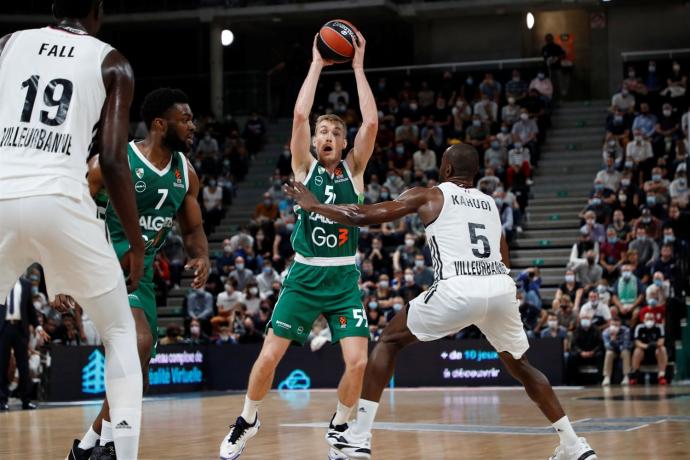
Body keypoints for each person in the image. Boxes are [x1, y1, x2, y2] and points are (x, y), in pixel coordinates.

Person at [285, 143, 596, 460]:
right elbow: (504, 256)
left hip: (458, 288)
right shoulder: (490, 203)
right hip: (501, 288)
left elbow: (361, 215)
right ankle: (574, 445)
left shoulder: (430, 194)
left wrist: (314, 206)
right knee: (523, 367)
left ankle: (359, 437)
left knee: (389, 341)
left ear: (446, 169)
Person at [219, 29, 377, 460]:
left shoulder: (355, 171)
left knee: (359, 362)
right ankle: (248, 420)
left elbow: (372, 122)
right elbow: (299, 116)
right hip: (305, 274)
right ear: (313, 142)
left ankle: (340, 428)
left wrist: (358, 68)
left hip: (344, 276)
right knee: (269, 357)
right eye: (321, 131)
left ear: (344, 143)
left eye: (334, 132)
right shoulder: (304, 166)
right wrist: (316, 64)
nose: (326, 135)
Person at [0, 2, 145, 458]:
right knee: (120, 331)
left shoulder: (7, 44)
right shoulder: (111, 60)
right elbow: (112, 159)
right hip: (61, 196)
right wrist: (136, 242)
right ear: (99, 9)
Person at [57, 88, 210, 460]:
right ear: (160, 124)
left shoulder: (185, 174)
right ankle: (112, 446)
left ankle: (92, 443)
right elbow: (67, 210)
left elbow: (191, 230)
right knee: (138, 342)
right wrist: (62, 273)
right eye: (185, 119)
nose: (193, 126)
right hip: (103, 264)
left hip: (140, 275)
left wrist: (202, 255)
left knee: (138, 360)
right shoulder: (113, 161)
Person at [1, 276, 50, 410]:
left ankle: (26, 400)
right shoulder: (2, 281)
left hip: (20, 329)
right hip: (3, 328)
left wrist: (38, 327)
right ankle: (2, 400)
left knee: (23, 366)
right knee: (2, 365)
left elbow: (30, 309)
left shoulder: (25, 284)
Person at [630, 312, 668, 385]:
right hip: (644, 351)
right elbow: (637, 342)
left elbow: (661, 342)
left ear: (654, 320)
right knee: (637, 350)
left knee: (662, 349)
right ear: (643, 319)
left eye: (651, 319)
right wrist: (647, 346)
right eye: (647, 319)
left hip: (656, 351)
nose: (649, 320)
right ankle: (634, 376)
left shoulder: (659, 327)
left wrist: (654, 345)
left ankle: (661, 375)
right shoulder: (639, 327)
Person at [601, 318, 632, 386]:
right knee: (609, 353)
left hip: (622, 350)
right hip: (613, 350)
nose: (614, 326)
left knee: (626, 352)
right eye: (613, 324)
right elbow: (607, 346)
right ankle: (607, 377)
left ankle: (626, 376)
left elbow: (626, 345)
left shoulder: (626, 330)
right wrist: (613, 340)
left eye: (616, 325)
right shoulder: (605, 332)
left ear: (620, 325)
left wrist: (617, 345)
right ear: (609, 324)